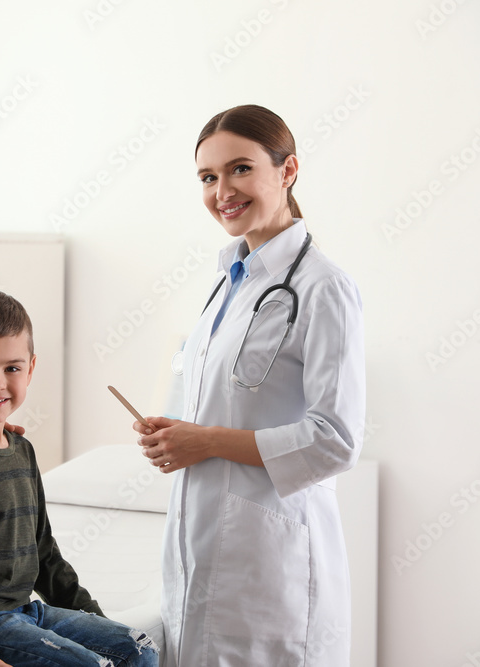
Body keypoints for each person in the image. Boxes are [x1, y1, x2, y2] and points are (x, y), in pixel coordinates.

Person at [134, 105, 365, 665]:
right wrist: (171, 435)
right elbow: (217, 401)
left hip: (271, 565)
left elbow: (335, 438)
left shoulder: (324, 288)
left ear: (288, 171)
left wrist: (207, 440)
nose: (222, 191)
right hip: (199, 546)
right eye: (208, 177)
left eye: (240, 169)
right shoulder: (228, 283)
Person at [0, 290, 159, 667]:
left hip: (26, 611)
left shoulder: (21, 447)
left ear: (31, 368)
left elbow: (44, 552)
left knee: (138, 649)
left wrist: (93, 618)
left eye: (12, 368)